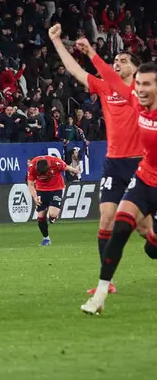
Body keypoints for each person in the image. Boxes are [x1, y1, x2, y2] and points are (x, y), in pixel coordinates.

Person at [49, 25, 147, 293]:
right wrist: (57, 41)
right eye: (115, 61)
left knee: (145, 231)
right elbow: (75, 71)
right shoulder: (105, 88)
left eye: (123, 61)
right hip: (114, 163)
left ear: (136, 68)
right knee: (105, 220)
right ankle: (107, 282)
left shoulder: (144, 91)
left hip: (141, 164)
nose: (117, 64)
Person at [82, 48, 157, 313]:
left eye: (148, 84)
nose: (142, 89)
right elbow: (110, 79)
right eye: (140, 84)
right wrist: (91, 52)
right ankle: (102, 292)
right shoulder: (136, 103)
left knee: (151, 247)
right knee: (117, 225)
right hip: (143, 177)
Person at [27, 153, 78, 246]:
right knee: (41, 216)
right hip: (41, 190)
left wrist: (75, 170)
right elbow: (30, 183)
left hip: (56, 188)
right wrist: (35, 198)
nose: (44, 176)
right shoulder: (32, 166)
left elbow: (66, 167)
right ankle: (46, 239)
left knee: (52, 214)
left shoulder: (56, 162)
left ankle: (52, 217)